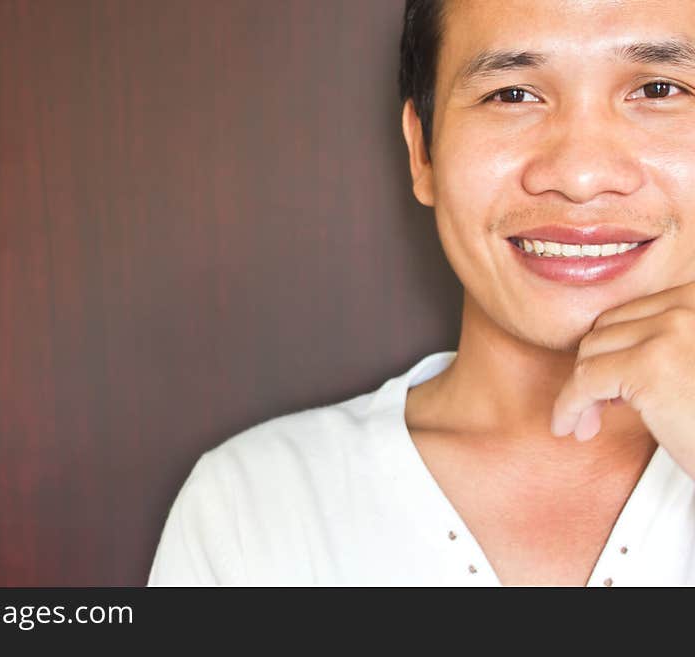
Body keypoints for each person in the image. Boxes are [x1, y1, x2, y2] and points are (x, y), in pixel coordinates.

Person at [148, 0, 695, 586]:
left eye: (659, 89)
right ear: (423, 152)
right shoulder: (254, 506)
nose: (581, 176)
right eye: (511, 94)